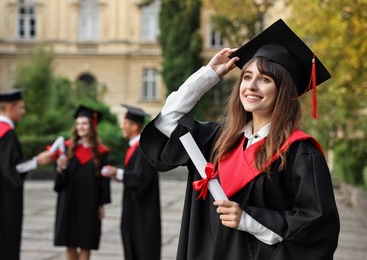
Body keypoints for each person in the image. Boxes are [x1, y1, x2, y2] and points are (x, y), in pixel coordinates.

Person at [139, 19, 340, 260]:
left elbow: (317, 228)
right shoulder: (216, 139)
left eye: (265, 79)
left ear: (284, 91)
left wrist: (249, 219)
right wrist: (209, 75)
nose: (251, 86)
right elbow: (167, 122)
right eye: (246, 77)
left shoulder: (300, 152)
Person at [0, 89, 53, 260]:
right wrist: (37, 161)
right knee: (3, 238)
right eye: (21, 108)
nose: (23, 112)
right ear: (10, 107)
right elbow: (13, 168)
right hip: (4, 200)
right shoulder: (7, 134)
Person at [101, 104, 161, 260]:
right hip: (134, 207)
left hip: (143, 210)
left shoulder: (143, 148)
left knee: (142, 247)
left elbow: (141, 179)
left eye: (125, 123)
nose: (122, 126)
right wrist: (117, 175)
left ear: (135, 126)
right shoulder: (135, 147)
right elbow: (135, 175)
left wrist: (118, 172)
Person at [53, 105, 111, 260]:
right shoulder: (66, 148)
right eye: (78, 124)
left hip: (89, 203)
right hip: (68, 201)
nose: (81, 127)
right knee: (69, 241)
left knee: (86, 242)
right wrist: (60, 167)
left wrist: (101, 204)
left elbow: (103, 182)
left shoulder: (101, 151)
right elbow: (59, 181)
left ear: (92, 126)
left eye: (84, 123)